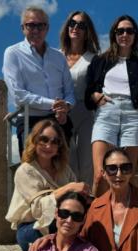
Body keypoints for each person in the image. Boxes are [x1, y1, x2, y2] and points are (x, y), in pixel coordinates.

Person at [84, 15, 138, 197]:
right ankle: (97, 220)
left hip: (133, 116)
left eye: (129, 31)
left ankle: (121, 220)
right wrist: (94, 95)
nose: (125, 34)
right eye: (120, 31)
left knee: (125, 176)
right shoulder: (99, 61)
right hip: (106, 112)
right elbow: (88, 91)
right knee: (101, 175)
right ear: (114, 34)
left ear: (135, 35)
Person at [5, 119, 89, 251]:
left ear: (59, 147)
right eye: (44, 139)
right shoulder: (26, 170)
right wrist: (68, 188)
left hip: (64, 222)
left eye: (55, 142)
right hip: (32, 226)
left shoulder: (64, 170)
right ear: (34, 141)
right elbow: (38, 210)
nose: (49, 146)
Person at [3, 5, 76, 157]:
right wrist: (54, 104)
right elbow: (18, 94)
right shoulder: (13, 53)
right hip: (31, 120)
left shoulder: (59, 57)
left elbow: (69, 91)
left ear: (47, 28)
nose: (36, 30)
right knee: (33, 172)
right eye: (30, 25)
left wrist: (66, 107)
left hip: (59, 120)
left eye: (40, 25)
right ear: (23, 28)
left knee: (60, 171)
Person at [59, 11, 100, 187]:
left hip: (86, 112)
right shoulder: (56, 56)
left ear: (87, 31)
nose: (76, 28)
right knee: (67, 160)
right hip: (63, 113)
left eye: (81, 25)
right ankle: (70, 203)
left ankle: (87, 205)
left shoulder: (93, 59)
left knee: (86, 163)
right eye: (72, 23)